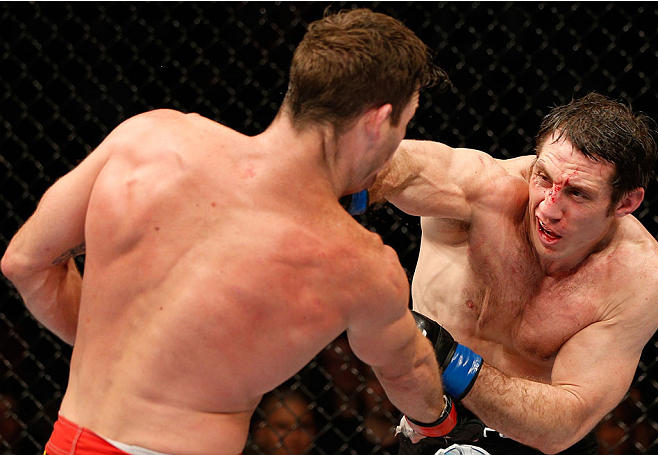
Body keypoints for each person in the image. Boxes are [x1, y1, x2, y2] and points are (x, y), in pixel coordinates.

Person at [0, 8, 457, 455]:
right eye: (405, 121)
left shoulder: (147, 138)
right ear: (378, 121)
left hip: (68, 439)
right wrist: (439, 420)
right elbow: (407, 373)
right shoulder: (358, 262)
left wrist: (131, 350)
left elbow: (24, 262)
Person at [370, 93, 658, 454]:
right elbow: (392, 166)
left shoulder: (638, 274)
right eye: (543, 177)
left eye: (577, 194)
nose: (548, 209)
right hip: (433, 423)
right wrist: (345, 187)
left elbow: (566, 421)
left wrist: (448, 360)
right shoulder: (483, 190)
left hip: (539, 438)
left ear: (625, 202)